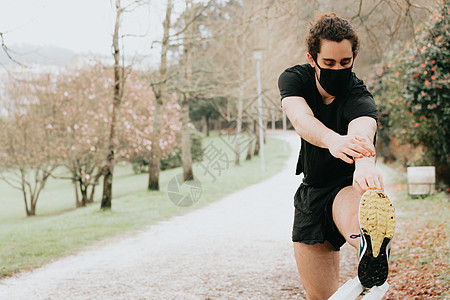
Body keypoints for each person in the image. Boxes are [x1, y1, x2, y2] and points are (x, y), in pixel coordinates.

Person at [278, 13, 396, 299]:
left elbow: (363, 129)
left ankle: (370, 245)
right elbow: (300, 118)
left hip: (346, 188)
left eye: (345, 62)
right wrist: (332, 140)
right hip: (311, 192)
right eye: (328, 63)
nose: (337, 69)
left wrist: (365, 164)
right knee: (320, 296)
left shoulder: (359, 95)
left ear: (354, 56)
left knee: (356, 210)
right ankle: (367, 247)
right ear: (312, 58)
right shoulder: (294, 79)